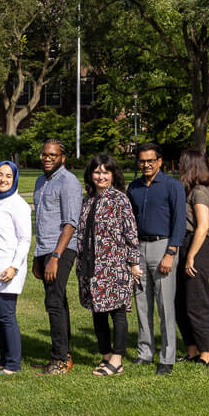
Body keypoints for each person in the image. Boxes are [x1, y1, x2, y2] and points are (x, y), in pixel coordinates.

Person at [76, 154, 142, 377]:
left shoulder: (120, 199)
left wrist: (133, 263)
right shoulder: (88, 200)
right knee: (97, 311)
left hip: (114, 265)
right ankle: (105, 356)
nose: (101, 176)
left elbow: (131, 233)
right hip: (91, 266)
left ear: (113, 175)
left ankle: (117, 359)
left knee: (117, 311)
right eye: (97, 172)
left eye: (105, 172)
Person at [127, 142, 185, 374]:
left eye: (151, 160)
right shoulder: (134, 187)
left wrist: (171, 253)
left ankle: (167, 357)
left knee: (165, 306)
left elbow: (179, 222)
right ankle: (145, 353)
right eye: (142, 161)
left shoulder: (172, 186)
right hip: (140, 247)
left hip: (163, 247)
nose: (146, 164)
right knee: (142, 303)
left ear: (160, 161)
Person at [32, 138, 82, 375]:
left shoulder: (68, 181)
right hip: (45, 249)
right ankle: (64, 353)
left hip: (61, 249)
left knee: (54, 302)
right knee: (57, 301)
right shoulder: (41, 181)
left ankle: (60, 359)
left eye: (53, 155)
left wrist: (55, 256)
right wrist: (37, 256)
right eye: (45, 154)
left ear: (63, 157)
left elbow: (71, 223)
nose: (48, 158)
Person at [0, 161, 32, 374]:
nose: (3, 179)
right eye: (0, 175)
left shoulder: (18, 204)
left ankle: (13, 364)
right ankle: (3, 360)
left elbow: (24, 239)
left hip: (7, 266)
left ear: (15, 179)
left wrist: (14, 267)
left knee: (6, 315)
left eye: (8, 176)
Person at [174, 149, 209, 367]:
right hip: (184, 245)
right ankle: (191, 350)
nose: (179, 167)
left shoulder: (199, 191)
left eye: (181, 163)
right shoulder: (187, 190)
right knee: (180, 303)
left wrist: (190, 256)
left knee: (196, 304)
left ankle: (205, 354)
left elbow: (203, 226)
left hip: (196, 247)